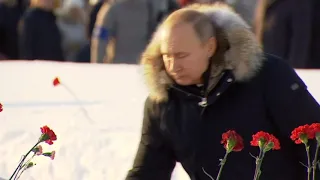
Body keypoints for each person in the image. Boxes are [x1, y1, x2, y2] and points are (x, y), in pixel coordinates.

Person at [126, 3, 320, 180]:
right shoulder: (163, 103)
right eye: (167, 56)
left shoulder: (268, 76)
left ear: (210, 47)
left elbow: (315, 141)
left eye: (182, 55)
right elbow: (148, 171)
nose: (173, 65)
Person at [254, 0, 320, 68]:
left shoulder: (298, 4)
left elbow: (300, 45)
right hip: (272, 70)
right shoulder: (273, 6)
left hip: (286, 72)